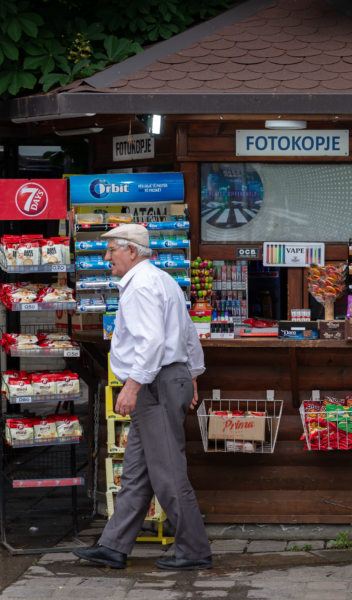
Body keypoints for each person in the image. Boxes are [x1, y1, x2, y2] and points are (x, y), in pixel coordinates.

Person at [74, 223, 211, 571]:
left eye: (111, 251)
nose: (106, 258)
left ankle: (194, 551)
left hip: (155, 385)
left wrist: (132, 386)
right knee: (136, 473)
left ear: (131, 251)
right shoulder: (163, 280)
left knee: (167, 472)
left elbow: (150, 343)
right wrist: (192, 374)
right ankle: (113, 546)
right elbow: (188, 332)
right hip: (167, 380)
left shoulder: (140, 287)